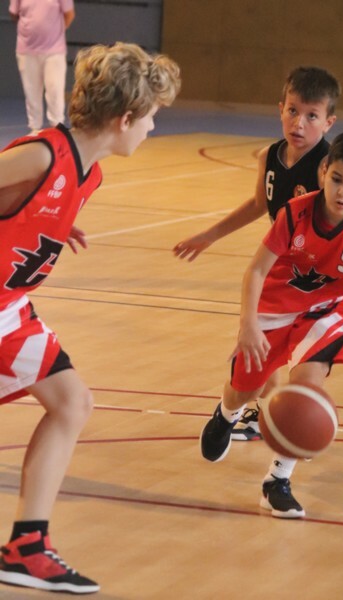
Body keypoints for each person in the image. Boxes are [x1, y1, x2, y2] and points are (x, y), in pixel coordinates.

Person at [173, 66, 343, 442]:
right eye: (293, 111)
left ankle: (270, 420)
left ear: (328, 122)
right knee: (263, 364)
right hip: (282, 268)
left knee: (289, 360)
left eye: (312, 116)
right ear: (280, 109)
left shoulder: (330, 166)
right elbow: (258, 204)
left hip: (314, 275)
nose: (299, 123)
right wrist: (210, 235)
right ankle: (257, 413)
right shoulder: (270, 156)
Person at [0, 42, 181, 594]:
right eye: (151, 117)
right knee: (71, 402)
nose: (152, 128)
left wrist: (48, 222)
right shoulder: (42, 156)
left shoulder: (89, 173)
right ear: (125, 118)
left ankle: (27, 548)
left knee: (72, 402)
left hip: (10, 310)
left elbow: (27, 211)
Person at [200, 130, 343, 519]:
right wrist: (248, 324)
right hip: (273, 308)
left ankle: (277, 481)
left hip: (324, 312)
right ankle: (226, 414)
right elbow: (256, 271)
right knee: (244, 388)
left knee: (305, 390)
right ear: (323, 172)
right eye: (337, 179)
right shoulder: (295, 213)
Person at [9, 0, 76, 133]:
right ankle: (34, 128)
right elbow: (14, 13)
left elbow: (69, 14)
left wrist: (54, 32)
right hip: (26, 50)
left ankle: (57, 127)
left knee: (55, 90)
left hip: (54, 50)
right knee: (31, 91)